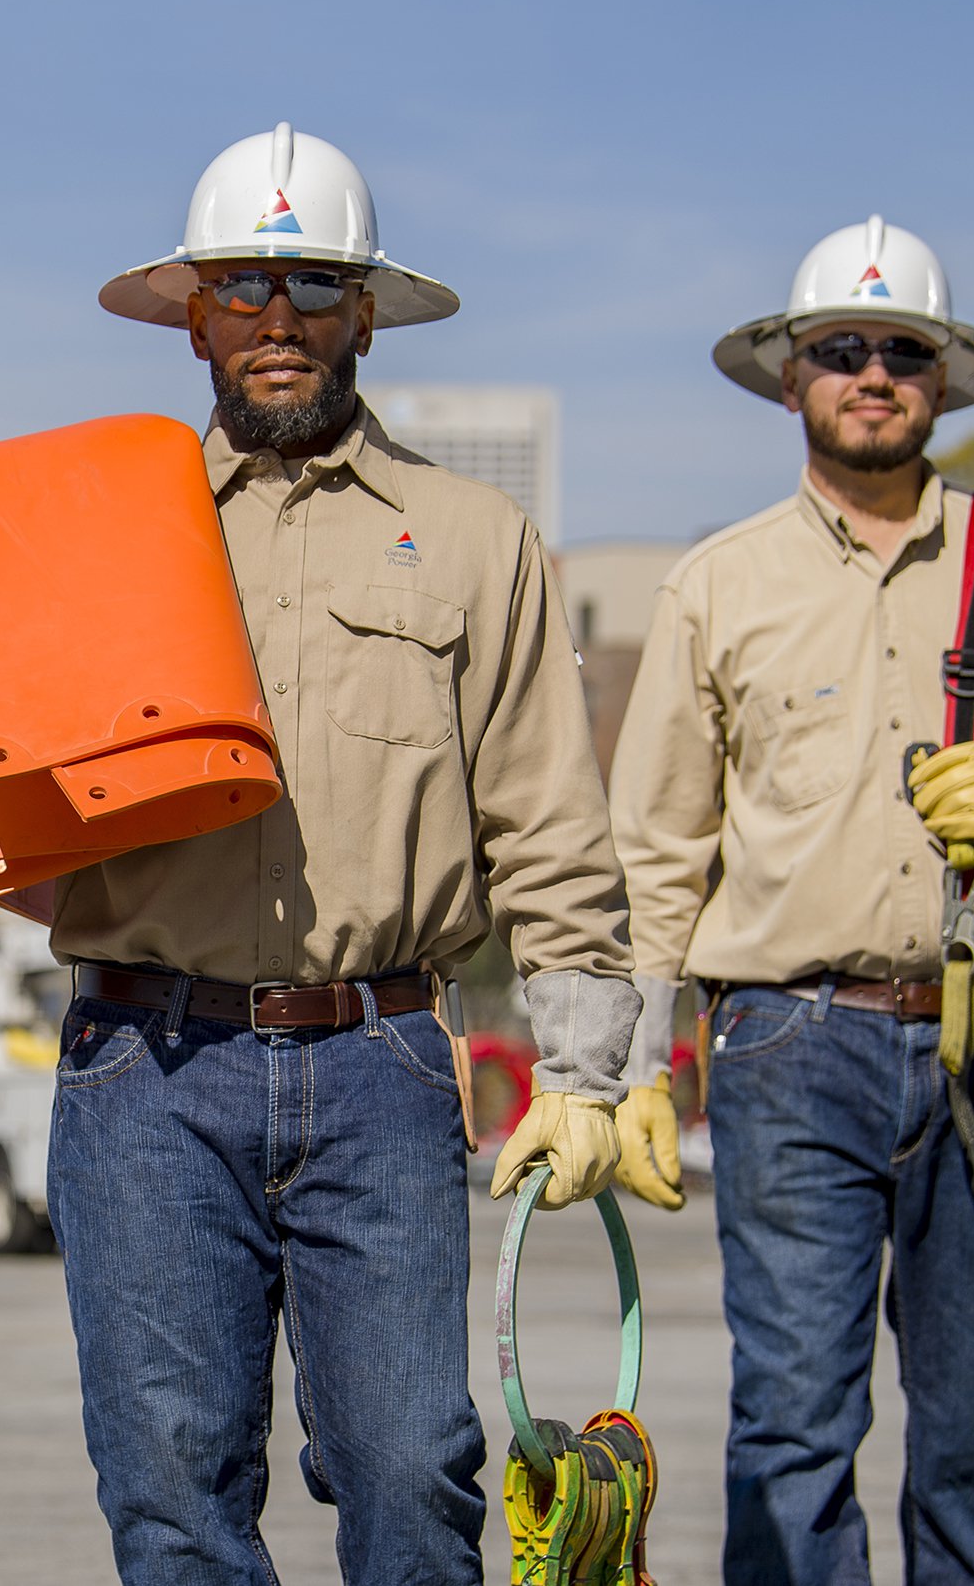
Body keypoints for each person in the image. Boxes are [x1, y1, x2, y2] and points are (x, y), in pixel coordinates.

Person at [48, 122, 648, 1586]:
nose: (277, 322)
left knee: (412, 1469)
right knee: (171, 1488)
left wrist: (584, 1071)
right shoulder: (105, 536)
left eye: (312, 286)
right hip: (144, 1069)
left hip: (378, 1065)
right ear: (193, 311)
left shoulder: (474, 539)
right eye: (244, 288)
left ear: (367, 311)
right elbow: (8, 797)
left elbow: (552, 817)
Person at [611, 216, 974, 1584]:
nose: (872, 372)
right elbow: (660, 840)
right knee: (791, 1437)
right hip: (790, 1046)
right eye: (840, 349)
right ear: (792, 378)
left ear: (944, 378)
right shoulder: (718, 583)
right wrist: (632, 1067)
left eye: (901, 350)